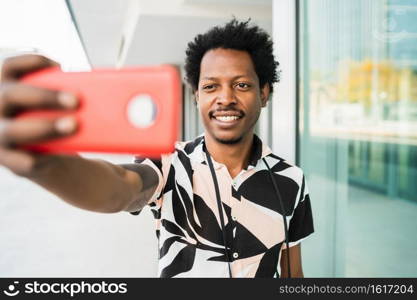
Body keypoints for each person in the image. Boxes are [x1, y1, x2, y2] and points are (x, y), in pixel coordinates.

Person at [0, 19, 314, 278]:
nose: (225, 97)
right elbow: (120, 188)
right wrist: (50, 165)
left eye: (242, 85)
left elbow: (292, 274)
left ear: (265, 92)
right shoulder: (169, 162)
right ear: (196, 96)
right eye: (210, 86)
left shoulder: (292, 179)